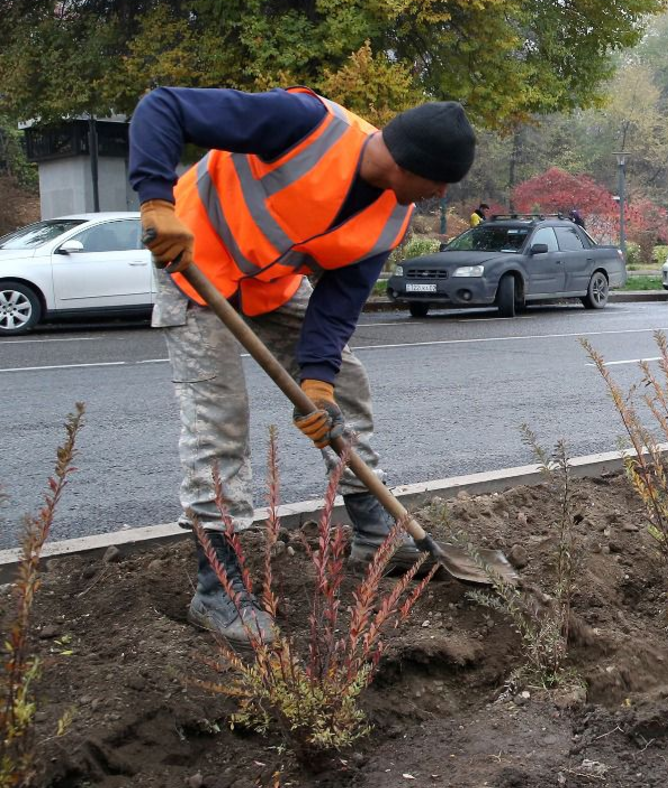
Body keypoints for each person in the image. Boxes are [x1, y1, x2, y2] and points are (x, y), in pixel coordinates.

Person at [130, 86, 476, 646]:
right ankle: (217, 589)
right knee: (220, 420)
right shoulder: (304, 124)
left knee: (346, 383)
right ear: (409, 162)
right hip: (190, 266)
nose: (440, 193)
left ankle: (373, 533)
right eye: (439, 181)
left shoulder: (392, 217)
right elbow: (162, 106)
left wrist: (317, 383)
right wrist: (155, 201)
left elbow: (337, 303)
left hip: (266, 284)